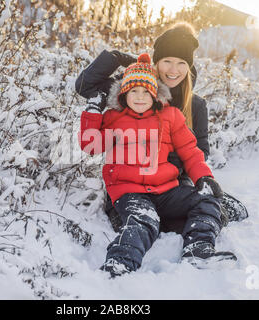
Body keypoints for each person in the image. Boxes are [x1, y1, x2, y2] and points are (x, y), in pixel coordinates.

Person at [75, 22, 248, 233]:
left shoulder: (195, 105)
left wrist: (174, 165)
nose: (173, 70)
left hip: (171, 184)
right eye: (166, 61)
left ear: (189, 67)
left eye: (181, 63)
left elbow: (199, 150)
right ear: (157, 61)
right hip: (130, 183)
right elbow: (85, 84)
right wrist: (119, 58)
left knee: (215, 212)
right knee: (148, 224)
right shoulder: (135, 88)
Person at [79, 53, 236, 277]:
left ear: (155, 94)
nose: (140, 97)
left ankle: (198, 250)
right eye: (134, 91)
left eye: (146, 92)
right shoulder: (114, 118)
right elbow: (90, 146)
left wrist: (204, 177)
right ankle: (120, 262)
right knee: (143, 220)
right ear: (124, 93)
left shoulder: (171, 116)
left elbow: (190, 151)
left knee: (206, 201)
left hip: (167, 189)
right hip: (129, 191)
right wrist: (93, 112)